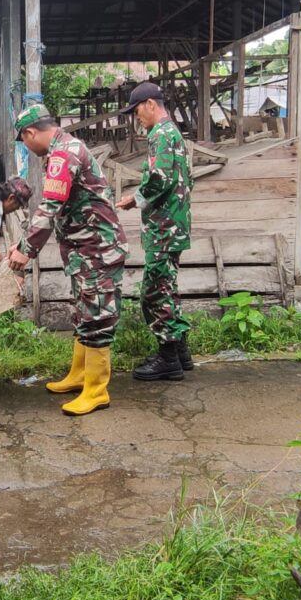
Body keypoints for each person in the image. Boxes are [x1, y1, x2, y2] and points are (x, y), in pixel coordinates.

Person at [8, 104, 128, 416]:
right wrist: (22, 243)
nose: (26, 146)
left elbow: (49, 206)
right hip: (84, 249)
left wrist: (26, 249)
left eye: (24, 140)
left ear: (30, 133)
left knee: (97, 315)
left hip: (97, 249)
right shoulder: (62, 150)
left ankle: (96, 390)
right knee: (84, 311)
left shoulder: (64, 154)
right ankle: (79, 376)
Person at [116, 82, 194, 381]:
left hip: (164, 228)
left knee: (154, 293)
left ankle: (168, 358)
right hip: (172, 225)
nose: (137, 118)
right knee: (167, 289)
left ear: (150, 104)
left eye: (137, 111)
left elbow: (160, 179)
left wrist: (133, 200)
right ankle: (181, 352)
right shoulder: (172, 134)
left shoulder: (161, 135)